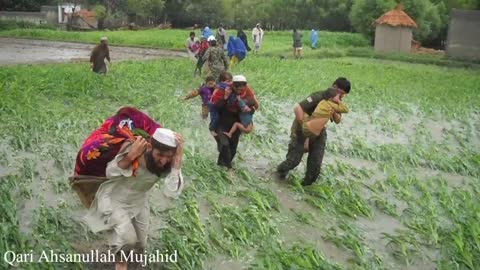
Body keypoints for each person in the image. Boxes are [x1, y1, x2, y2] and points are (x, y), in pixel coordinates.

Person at [69, 107, 185, 270]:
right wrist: (130, 157)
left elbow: (172, 193)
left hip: (139, 201)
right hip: (114, 200)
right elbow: (111, 172)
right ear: (150, 146)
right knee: (127, 241)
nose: (163, 161)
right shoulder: (134, 148)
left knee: (141, 245)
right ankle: (121, 264)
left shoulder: (171, 163)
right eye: (160, 155)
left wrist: (177, 163)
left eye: (168, 156)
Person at [276, 77, 351, 186]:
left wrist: (334, 110)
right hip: (302, 129)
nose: (342, 97)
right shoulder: (318, 96)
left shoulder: (336, 101)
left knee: (315, 166)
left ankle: (305, 188)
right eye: (341, 93)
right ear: (334, 87)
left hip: (319, 132)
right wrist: (305, 131)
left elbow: (338, 120)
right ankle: (280, 172)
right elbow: (298, 108)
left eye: (344, 95)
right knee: (293, 161)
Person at [210, 75, 259, 168]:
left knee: (232, 149)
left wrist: (249, 109)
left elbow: (254, 107)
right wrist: (225, 97)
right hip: (222, 121)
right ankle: (228, 168)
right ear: (233, 86)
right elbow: (216, 108)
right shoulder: (223, 90)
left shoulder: (248, 93)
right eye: (238, 89)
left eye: (242, 89)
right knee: (224, 144)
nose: (240, 92)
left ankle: (221, 167)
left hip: (236, 122)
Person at [208, 71, 233, 136]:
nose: (230, 83)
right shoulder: (221, 85)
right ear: (222, 81)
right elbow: (227, 86)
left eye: (231, 81)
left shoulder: (220, 85)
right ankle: (211, 129)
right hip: (213, 104)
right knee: (215, 117)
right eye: (228, 81)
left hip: (217, 103)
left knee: (218, 116)